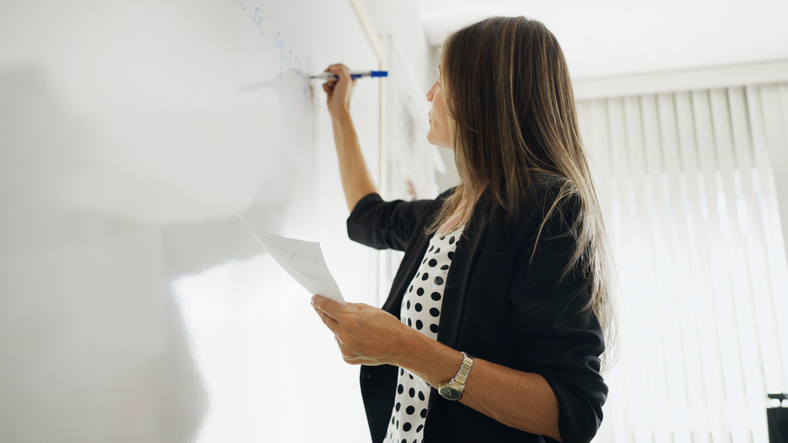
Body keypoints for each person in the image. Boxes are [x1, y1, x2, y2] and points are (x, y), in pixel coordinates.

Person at [311, 16, 617, 443]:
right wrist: (339, 112)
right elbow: (368, 216)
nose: (430, 95)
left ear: (481, 96)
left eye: (442, 81)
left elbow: (573, 409)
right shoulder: (448, 208)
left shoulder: (546, 206)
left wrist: (404, 347)